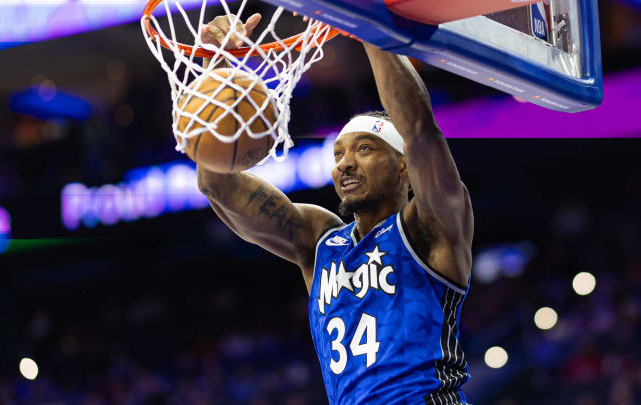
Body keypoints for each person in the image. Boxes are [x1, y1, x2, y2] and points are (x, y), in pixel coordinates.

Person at [196, 13, 474, 405]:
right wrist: (219, 68)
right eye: (338, 153)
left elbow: (419, 128)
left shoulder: (429, 226)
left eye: (363, 149)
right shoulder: (320, 241)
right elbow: (216, 183)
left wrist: (365, 19)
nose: (344, 163)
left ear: (403, 164)